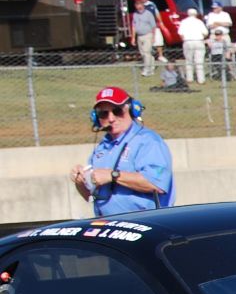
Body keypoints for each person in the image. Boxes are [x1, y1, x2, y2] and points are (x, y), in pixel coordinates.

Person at [69, 87, 174, 217]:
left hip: (146, 224)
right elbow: (89, 196)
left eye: (117, 111)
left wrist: (113, 175)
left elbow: (157, 184)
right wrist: (80, 181)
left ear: (131, 110)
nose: (111, 118)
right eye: (104, 114)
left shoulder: (148, 141)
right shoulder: (101, 148)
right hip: (108, 225)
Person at [176, 7, 210, 85]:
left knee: (188, 60)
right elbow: (205, 33)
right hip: (198, 41)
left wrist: (184, 40)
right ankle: (201, 79)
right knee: (199, 61)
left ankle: (189, 78)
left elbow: (180, 33)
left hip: (188, 41)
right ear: (196, 14)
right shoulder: (199, 22)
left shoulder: (184, 22)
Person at [130, 0, 160, 77]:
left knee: (146, 52)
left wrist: (153, 37)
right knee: (143, 53)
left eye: (140, 6)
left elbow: (153, 26)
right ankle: (152, 67)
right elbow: (134, 26)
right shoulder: (135, 15)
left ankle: (147, 70)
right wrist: (133, 38)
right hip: (139, 36)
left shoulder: (149, 14)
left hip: (148, 35)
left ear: (143, 6)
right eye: (137, 6)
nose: (139, 8)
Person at [205, 1, 233, 81]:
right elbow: (210, 25)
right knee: (215, 52)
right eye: (213, 8)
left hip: (224, 35)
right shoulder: (211, 15)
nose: (214, 9)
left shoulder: (225, 14)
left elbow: (229, 23)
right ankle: (218, 71)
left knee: (227, 51)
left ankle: (229, 70)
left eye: (216, 8)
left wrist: (218, 23)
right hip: (214, 35)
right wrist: (219, 24)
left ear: (220, 7)